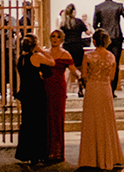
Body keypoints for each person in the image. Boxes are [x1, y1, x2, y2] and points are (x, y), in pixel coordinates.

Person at [78, 29, 124, 169]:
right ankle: (109, 156)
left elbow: (84, 76)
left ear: (93, 41)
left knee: (91, 121)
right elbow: (112, 77)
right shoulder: (111, 56)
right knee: (106, 120)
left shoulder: (88, 56)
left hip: (92, 89)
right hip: (105, 89)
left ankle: (91, 158)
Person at [14, 33, 55, 166]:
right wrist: (41, 50)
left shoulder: (21, 59)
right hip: (36, 93)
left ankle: (26, 152)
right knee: (39, 123)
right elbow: (52, 62)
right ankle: (38, 154)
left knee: (27, 123)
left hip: (26, 93)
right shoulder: (36, 57)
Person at [43, 29, 75, 161]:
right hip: (46, 87)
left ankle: (57, 152)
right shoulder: (45, 53)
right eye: (53, 36)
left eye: (57, 37)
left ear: (61, 39)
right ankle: (46, 151)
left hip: (58, 88)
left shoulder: (65, 54)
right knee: (46, 118)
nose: (55, 39)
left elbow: (74, 71)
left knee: (57, 118)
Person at [93, 0, 124, 93]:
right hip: (116, 37)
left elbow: (94, 24)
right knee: (115, 63)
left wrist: (100, 32)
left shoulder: (99, 7)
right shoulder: (118, 6)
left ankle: (104, 88)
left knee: (103, 63)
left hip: (103, 39)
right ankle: (112, 90)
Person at [59, 3, 89, 96]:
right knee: (79, 67)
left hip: (67, 48)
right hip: (77, 46)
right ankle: (80, 89)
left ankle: (64, 91)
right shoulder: (79, 22)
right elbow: (88, 32)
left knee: (66, 70)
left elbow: (60, 35)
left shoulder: (63, 23)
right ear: (74, 11)